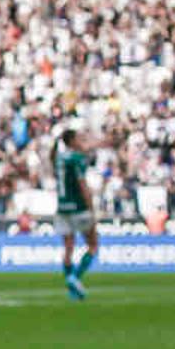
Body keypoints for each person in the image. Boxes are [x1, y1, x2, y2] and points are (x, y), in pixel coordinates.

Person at [54, 127, 100, 299]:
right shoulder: (77, 158)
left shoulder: (59, 158)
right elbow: (82, 184)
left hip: (62, 208)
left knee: (68, 249)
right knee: (93, 244)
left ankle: (72, 291)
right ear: (72, 141)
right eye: (79, 139)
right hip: (78, 208)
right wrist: (91, 208)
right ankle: (74, 278)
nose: (82, 142)